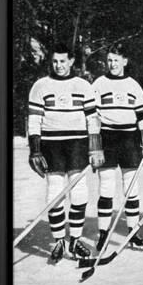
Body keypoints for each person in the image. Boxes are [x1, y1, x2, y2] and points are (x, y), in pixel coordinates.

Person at [27, 43, 95, 264]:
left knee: (79, 192)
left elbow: (92, 119)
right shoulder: (40, 86)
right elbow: (34, 120)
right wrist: (34, 150)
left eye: (63, 61)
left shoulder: (83, 85)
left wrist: (95, 147)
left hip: (77, 143)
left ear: (72, 61)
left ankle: (75, 240)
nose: (59, 65)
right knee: (55, 191)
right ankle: (58, 241)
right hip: (52, 144)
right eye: (55, 61)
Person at [89, 43, 143, 251]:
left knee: (131, 187)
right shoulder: (99, 83)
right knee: (106, 187)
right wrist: (96, 146)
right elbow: (93, 118)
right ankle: (104, 233)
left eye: (116, 60)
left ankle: (133, 232)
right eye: (109, 60)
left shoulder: (134, 85)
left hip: (129, 138)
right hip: (108, 137)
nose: (113, 64)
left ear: (125, 61)